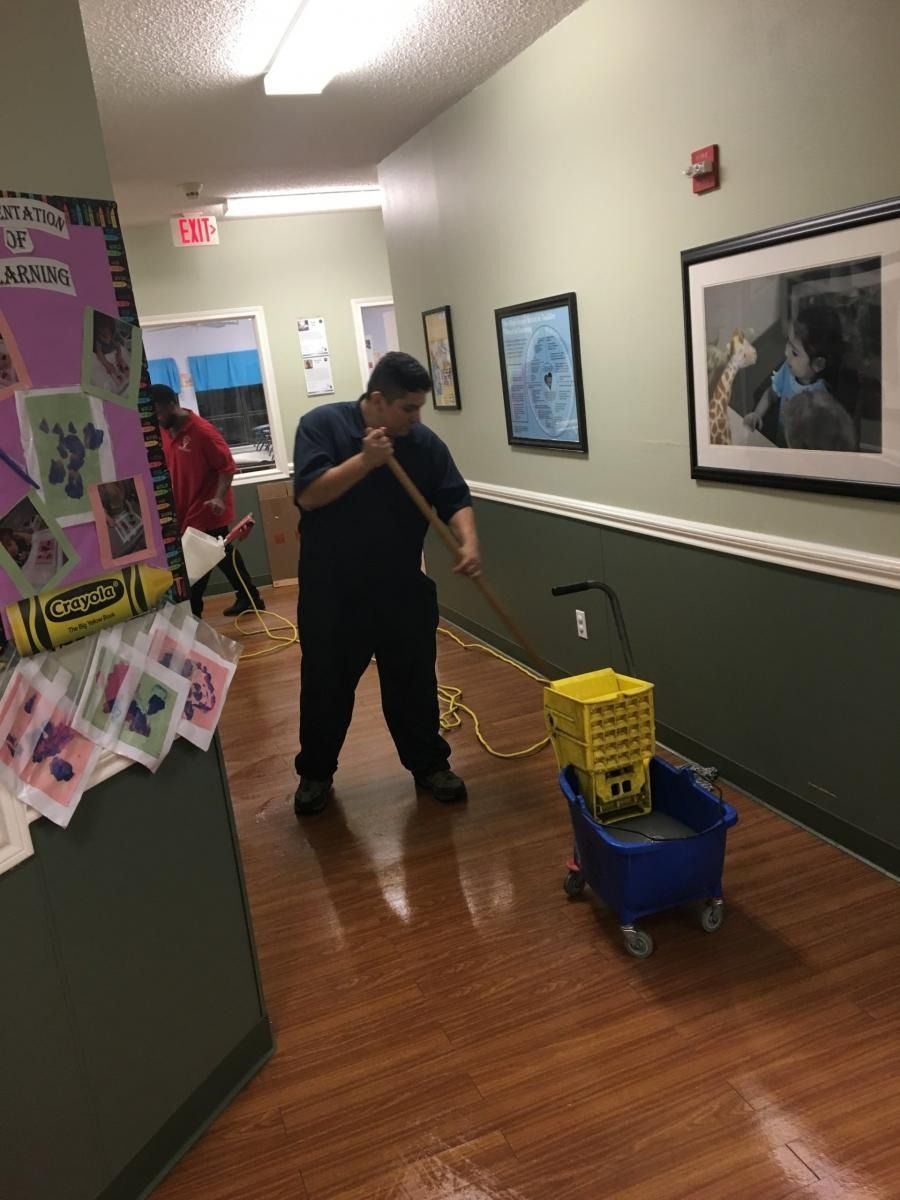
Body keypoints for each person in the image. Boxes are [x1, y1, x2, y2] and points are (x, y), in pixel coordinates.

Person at [292, 351, 481, 816]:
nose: (416, 418)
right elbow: (310, 494)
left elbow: (454, 496)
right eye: (408, 408)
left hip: (400, 586)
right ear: (378, 400)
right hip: (333, 593)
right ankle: (316, 773)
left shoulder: (423, 443)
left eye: (419, 408)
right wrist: (366, 460)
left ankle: (429, 765)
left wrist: (468, 542)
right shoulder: (321, 426)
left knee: (414, 684)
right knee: (326, 688)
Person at [149, 383, 264, 619]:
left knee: (197, 561)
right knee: (222, 554)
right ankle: (250, 597)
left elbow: (227, 467)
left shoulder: (202, 432)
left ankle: (193, 613)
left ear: (172, 405)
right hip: (184, 506)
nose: (156, 419)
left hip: (206, 508)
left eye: (158, 413)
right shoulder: (164, 430)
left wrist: (218, 497)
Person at [744, 304, 845, 447]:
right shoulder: (787, 369)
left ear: (818, 364)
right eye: (788, 343)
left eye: (795, 352)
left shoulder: (821, 399)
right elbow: (770, 394)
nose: (786, 353)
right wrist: (757, 414)